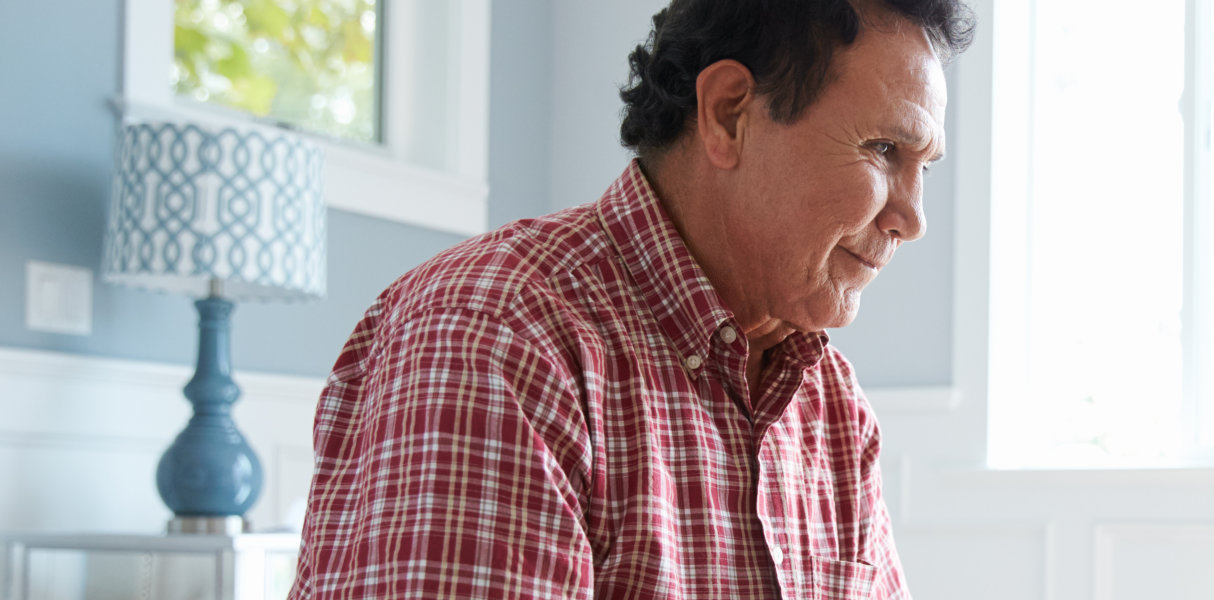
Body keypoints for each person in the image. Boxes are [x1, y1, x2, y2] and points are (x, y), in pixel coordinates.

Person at [291, 1, 971, 597]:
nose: (913, 218)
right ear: (730, 114)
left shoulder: (833, 408)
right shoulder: (493, 339)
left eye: (925, 169)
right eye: (885, 150)